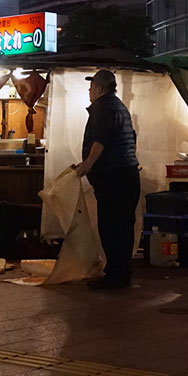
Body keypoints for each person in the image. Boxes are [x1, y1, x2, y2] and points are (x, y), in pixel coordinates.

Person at [75, 69, 140, 290]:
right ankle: (122, 273)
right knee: (123, 226)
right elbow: (131, 138)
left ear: (100, 88)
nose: (89, 91)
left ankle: (115, 276)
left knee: (111, 226)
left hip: (114, 177)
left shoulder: (103, 107)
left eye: (91, 87)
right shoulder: (120, 106)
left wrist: (88, 164)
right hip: (128, 173)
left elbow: (100, 140)